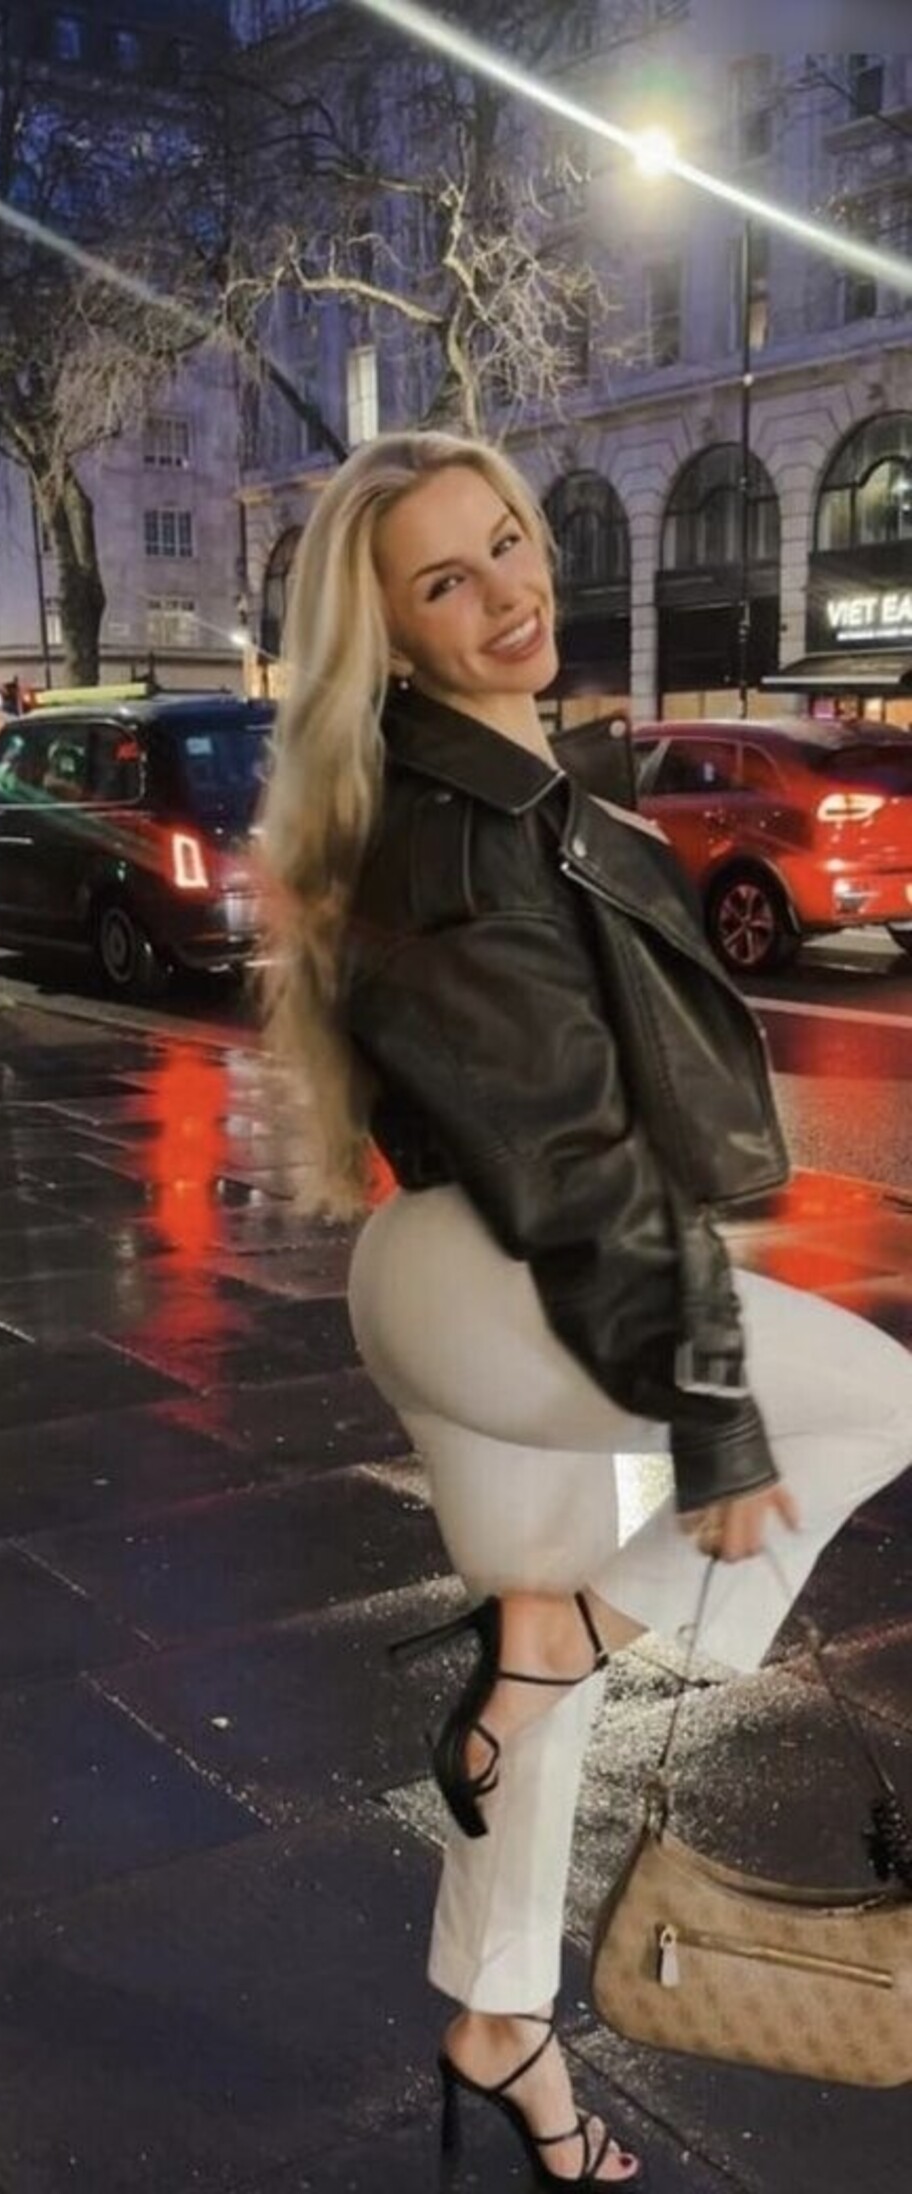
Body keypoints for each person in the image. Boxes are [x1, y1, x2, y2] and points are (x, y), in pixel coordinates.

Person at [256, 430, 912, 2188]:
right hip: (502, 1266)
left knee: (529, 1681)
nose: (504, 592)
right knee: (874, 1401)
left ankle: (502, 2027)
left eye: (507, 541)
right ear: (391, 635)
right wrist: (712, 1407)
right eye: (443, 580)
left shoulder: (502, 787)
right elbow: (574, 1156)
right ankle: (567, 1645)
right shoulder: (461, 835)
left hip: (470, 1264)